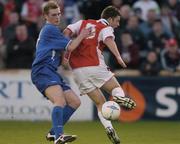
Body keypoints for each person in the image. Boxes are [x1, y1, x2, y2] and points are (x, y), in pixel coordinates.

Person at [62, 6, 136, 144]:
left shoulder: (83, 23)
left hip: (77, 71)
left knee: (100, 103)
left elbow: (66, 31)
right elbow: (109, 40)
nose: (118, 24)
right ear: (110, 18)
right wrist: (118, 57)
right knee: (116, 88)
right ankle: (119, 99)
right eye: (117, 21)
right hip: (94, 64)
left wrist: (67, 49)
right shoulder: (105, 27)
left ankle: (109, 128)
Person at [31, 1, 91, 144]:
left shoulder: (53, 31)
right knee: (60, 101)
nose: (57, 17)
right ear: (45, 16)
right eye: (53, 15)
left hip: (51, 71)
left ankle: (53, 133)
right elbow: (71, 47)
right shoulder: (49, 29)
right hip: (42, 70)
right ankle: (59, 136)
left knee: (75, 102)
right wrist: (82, 35)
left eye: (58, 14)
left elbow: (64, 61)